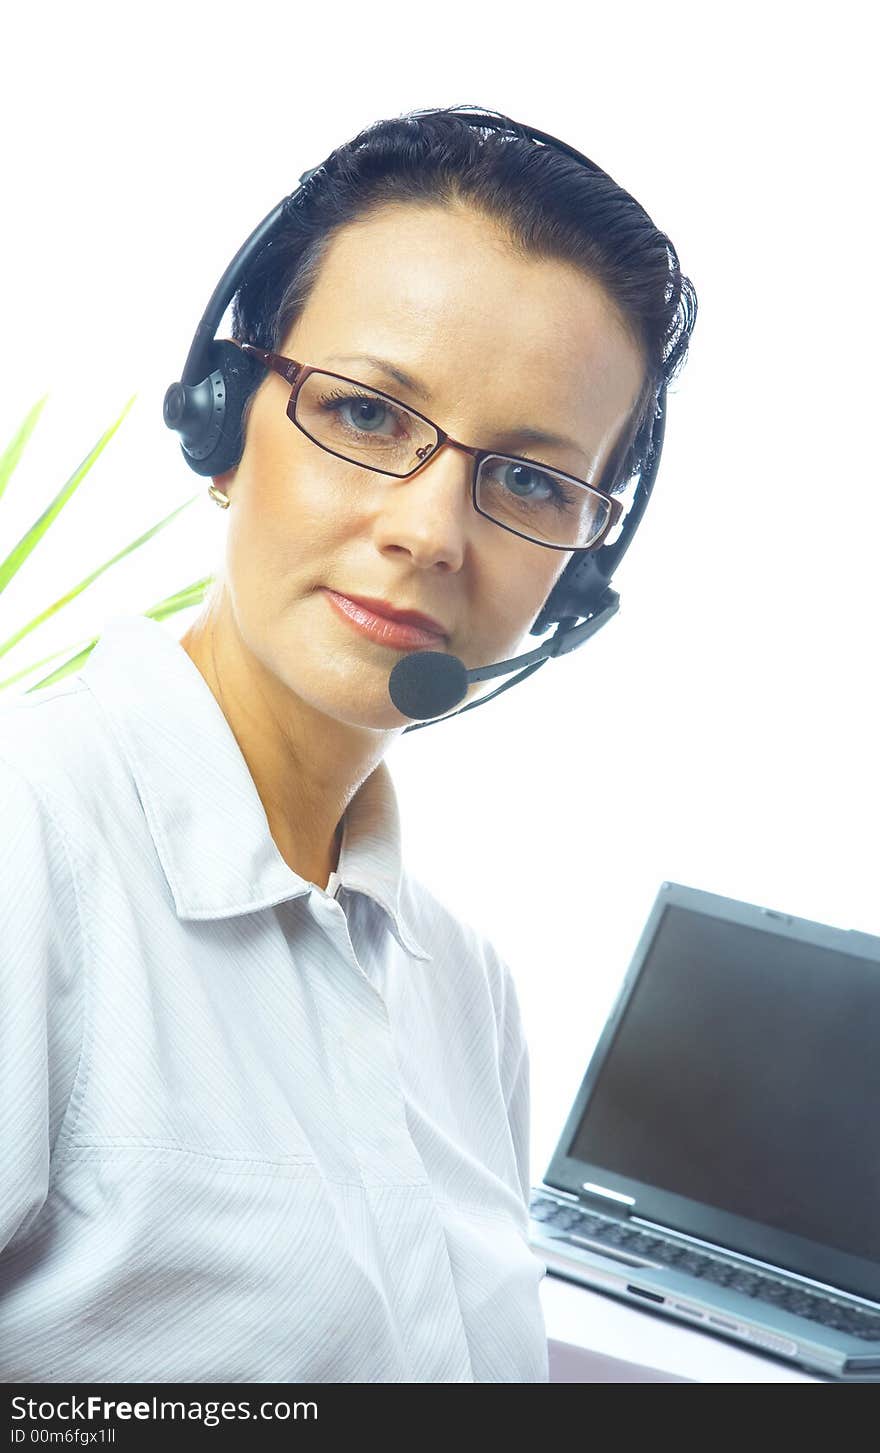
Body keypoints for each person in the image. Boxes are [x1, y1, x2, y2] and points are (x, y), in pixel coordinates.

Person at [0, 105, 696, 1382]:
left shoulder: (464, 992)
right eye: (370, 414)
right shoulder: (26, 847)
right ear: (221, 420)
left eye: (532, 482)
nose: (433, 531)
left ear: (576, 581)